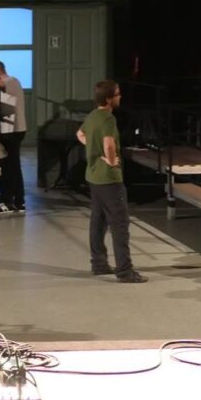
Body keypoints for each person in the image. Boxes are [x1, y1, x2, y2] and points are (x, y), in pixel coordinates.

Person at [78, 80, 145, 282]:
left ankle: (99, 264)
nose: (120, 97)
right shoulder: (108, 118)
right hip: (109, 179)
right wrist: (111, 160)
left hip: (93, 177)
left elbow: (80, 134)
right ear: (108, 99)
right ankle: (124, 271)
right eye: (117, 94)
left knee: (98, 221)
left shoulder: (92, 115)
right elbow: (108, 143)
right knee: (119, 224)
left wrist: (93, 148)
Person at [0, 59, 26, 213]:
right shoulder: (7, 84)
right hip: (9, 129)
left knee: (10, 167)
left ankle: (10, 200)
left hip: (13, 131)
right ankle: (17, 200)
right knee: (11, 165)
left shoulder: (11, 81)